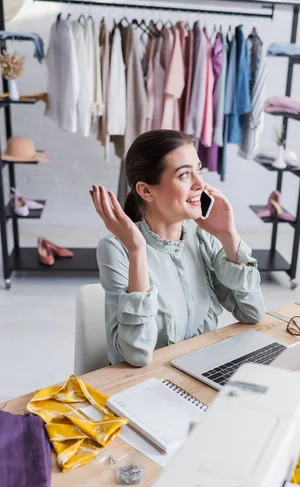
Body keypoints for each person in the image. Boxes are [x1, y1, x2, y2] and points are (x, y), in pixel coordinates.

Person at [90, 130, 265, 367]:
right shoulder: (117, 249)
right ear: (146, 191)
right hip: (143, 387)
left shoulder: (204, 236)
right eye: (184, 175)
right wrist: (137, 250)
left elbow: (252, 313)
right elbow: (136, 355)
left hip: (199, 372)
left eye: (198, 170)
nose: (200, 183)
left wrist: (228, 235)